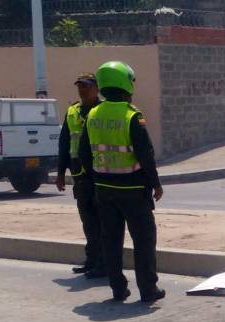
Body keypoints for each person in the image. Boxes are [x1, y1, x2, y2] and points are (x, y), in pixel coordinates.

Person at [79, 61, 166, 303]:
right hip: (134, 190)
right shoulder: (131, 116)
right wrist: (156, 184)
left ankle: (118, 289)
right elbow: (145, 154)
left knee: (111, 240)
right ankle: (148, 290)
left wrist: (96, 176)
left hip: (104, 191)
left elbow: (84, 153)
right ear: (124, 83)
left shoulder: (93, 115)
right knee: (144, 241)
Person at [56, 73, 105, 278]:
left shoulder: (103, 110)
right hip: (80, 175)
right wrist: (60, 173)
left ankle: (103, 264)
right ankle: (91, 261)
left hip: (100, 174)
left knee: (102, 222)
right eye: (79, 86)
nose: (82, 90)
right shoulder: (72, 111)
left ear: (96, 88)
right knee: (88, 222)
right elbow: (64, 144)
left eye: (86, 86)